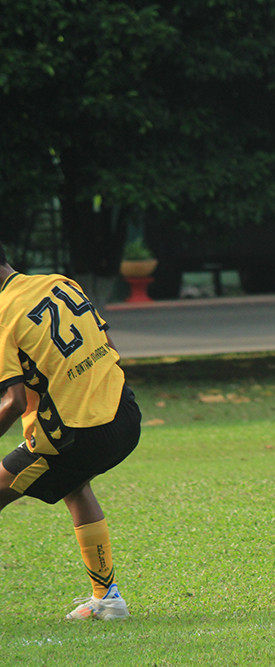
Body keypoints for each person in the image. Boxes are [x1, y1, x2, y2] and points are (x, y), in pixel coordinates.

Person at [0, 242, 140, 620]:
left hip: (77, 436)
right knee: (74, 485)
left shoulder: (3, 314)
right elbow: (110, 348)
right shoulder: (59, 283)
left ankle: (108, 598)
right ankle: (107, 599)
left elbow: (12, 402)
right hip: (124, 414)